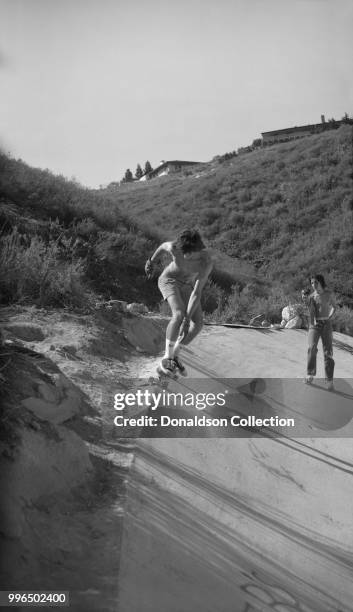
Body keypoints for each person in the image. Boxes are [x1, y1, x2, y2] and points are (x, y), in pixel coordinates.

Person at [145, 229, 213, 376]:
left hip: (187, 286)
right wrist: (151, 261)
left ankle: (175, 354)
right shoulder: (176, 248)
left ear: (198, 250)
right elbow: (163, 246)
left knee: (198, 324)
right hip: (169, 280)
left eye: (189, 252)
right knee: (178, 314)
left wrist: (188, 320)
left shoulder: (205, 263)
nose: (185, 255)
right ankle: (167, 357)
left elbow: (197, 292)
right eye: (184, 251)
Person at [305, 274, 336, 390]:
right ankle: (310, 373)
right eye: (312, 283)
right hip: (315, 325)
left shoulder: (328, 294)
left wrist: (330, 317)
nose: (313, 285)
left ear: (321, 282)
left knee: (328, 352)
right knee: (312, 348)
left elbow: (334, 307)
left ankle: (329, 380)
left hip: (326, 324)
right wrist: (309, 302)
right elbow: (311, 313)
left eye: (315, 282)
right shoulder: (312, 297)